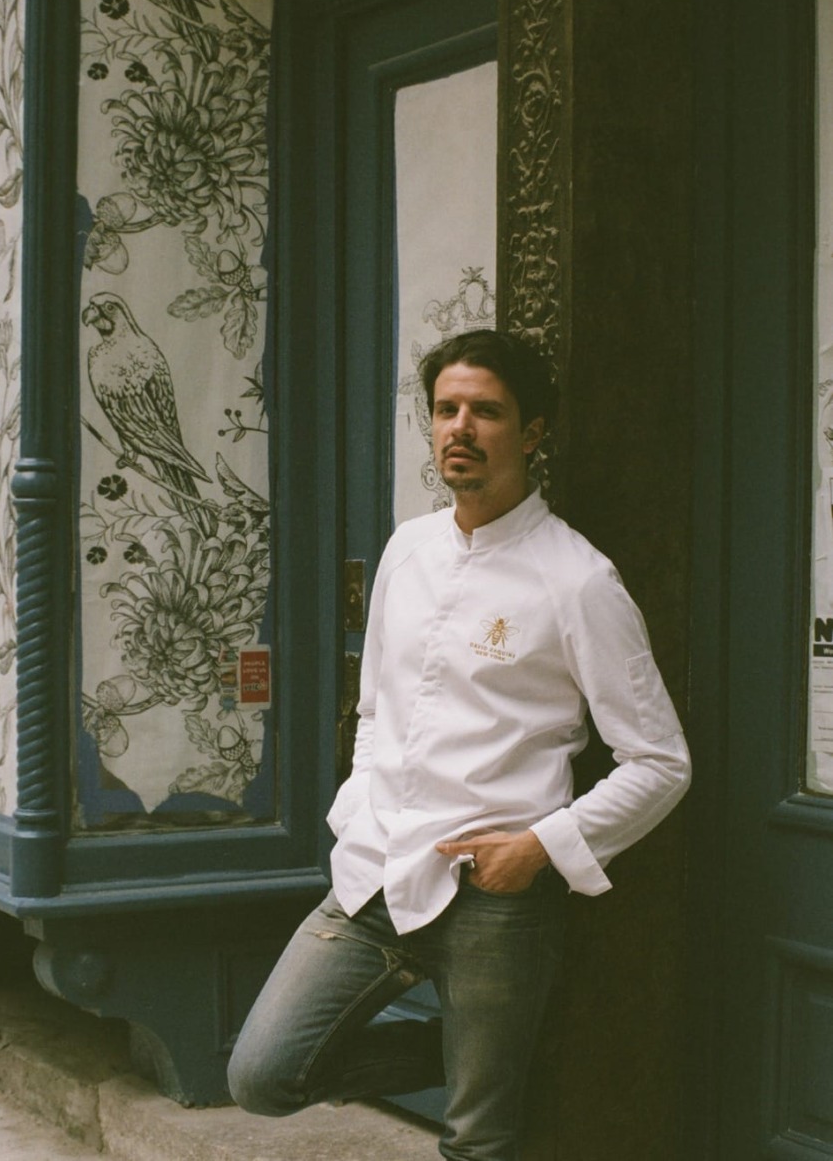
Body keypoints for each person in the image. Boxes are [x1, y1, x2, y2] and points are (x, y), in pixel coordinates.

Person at [228, 329, 691, 1161]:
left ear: (533, 432)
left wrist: (542, 847)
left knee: (478, 1138)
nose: (460, 428)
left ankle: (495, 1071)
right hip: (375, 871)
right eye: (446, 409)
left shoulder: (578, 579)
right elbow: (374, 705)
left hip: (495, 899)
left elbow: (660, 761)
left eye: (486, 411)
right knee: (261, 1075)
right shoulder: (408, 548)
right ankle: (498, 1058)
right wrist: (359, 801)